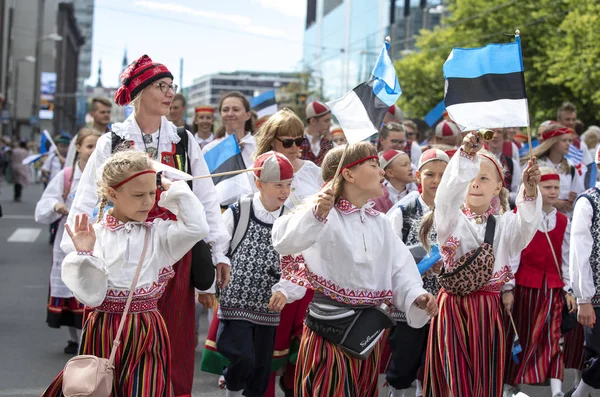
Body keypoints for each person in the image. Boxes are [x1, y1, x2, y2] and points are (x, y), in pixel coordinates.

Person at [62, 54, 231, 397]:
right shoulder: (112, 141)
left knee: (175, 344)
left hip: (172, 251)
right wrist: (84, 253)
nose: (170, 94)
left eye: (172, 87)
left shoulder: (182, 141)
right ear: (139, 92)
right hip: (122, 256)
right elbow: (86, 200)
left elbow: (208, 201)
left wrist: (219, 252)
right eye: (161, 86)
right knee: (116, 346)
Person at [272, 142, 438, 396]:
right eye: (374, 165)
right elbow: (284, 240)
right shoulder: (323, 214)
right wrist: (315, 213)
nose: (382, 172)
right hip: (329, 334)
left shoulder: (380, 223)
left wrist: (417, 295)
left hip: (365, 338)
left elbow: (400, 269)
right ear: (348, 174)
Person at [42, 150, 210, 397]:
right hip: (104, 327)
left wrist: (174, 190)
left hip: (147, 329)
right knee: (98, 387)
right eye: (139, 195)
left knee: (145, 389)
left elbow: (197, 227)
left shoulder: (159, 235)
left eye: (152, 193)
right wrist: (85, 254)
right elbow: (90, 296)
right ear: (112, 193)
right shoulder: (96, 234)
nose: (148, 202)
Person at [422, 132, 542, 397]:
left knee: (484, 377)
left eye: (484, 178)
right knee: (454, 376)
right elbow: (446, 195)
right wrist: (464, 156)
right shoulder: (450, 218)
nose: (475, 184)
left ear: (498, 187)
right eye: (471, 179)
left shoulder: (505, 225)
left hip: (487, 309)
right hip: (452, 307)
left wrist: (531, 189)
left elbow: (527, 227)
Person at [213, 151, 306, 397]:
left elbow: (297, 263)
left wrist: (285, 290)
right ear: (259, 184)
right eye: (278, 185)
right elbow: (219, 246)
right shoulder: (239, 211)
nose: (285, 191)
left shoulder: (291, 218)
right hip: (236, 301)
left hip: (267, 306)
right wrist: (220, 268)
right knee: (242, 357)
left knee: (262, 369)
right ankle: (231, 389)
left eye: (288, 185)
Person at [252, 109, 322, 396]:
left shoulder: (313, 172)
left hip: (308, 267)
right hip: (269, 263)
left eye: (299, 141)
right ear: (271, 142)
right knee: (268, 343)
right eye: (287, 142)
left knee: (302, 343)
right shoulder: (256, 172)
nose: (295, 148)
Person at [503, 167, 575, 397]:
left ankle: (556, 391)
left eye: (556, 187)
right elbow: (513, 253)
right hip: (525, 286)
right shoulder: (520, 216)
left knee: (554, 337)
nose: (553, 192)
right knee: (520, 334)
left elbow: (566, 258)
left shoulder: (563, 221)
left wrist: (569, 287)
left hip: (553, 288)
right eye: (548, 187)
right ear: (536, 188)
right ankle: (512, 385)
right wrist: (509, 286)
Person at [385, 148, 449, 397]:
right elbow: (390, 253)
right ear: (418, 176)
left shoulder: (456, 210)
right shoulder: (403, 210)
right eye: (430, 174)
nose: (436, 181)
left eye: (443, 175)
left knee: (434, 360)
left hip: (443, 299)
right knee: (405, 358)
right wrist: (418, 266)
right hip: (409, 301)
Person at [34, 128, 102, 354]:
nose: (93, 151)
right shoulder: (66, 176)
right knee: (72, 284)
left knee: (95, 285)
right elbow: (43, 208)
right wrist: (56, 206)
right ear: (79, 148)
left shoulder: (107, 174)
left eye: (97, 146)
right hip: (70, 240)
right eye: (89, 146)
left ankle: (92, 336)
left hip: (99, 240)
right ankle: (74, 339)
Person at [568, 182, 600, 397]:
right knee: (597, 356)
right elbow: (579, 252)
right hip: (596, 297)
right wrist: (583, 298)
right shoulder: (588, 201)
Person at [202, 91, 258, 206]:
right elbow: (203, 186)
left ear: (248, 115)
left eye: (236, 109)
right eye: (225, 110)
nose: (230, 113)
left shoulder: (261, 147)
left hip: (255, 210)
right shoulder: (210, 149)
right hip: (222, 212)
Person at [531, 123, 585, 215]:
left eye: (569, 140)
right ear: (553, 142)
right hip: (539, 218)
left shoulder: (571, 168)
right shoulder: (535, 166)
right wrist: (554, 202)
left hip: (564, 220)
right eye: (564, 140)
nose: (568, 144)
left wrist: (574, 198)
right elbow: (526, 193)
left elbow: (580, 195)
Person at [64, 97, 113, 168]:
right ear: (92, 114)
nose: (106, 115)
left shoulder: (114, 136)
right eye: (102, 112)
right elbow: (70, 163)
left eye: (108, 112)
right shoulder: (82, 136)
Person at [372, 149, 416, 213]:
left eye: (410, 164)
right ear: (390, 173)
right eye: (405, 165)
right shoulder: (377, 198)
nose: (411, 168)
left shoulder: (414, 196)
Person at [487, 128, 522, 206]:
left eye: (499, 132)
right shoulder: (479, 160)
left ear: (504, 136)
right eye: (492, 132)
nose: (495, 135)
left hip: (505, 209)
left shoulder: (512, 163)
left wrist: (504, 195)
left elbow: (518, 192)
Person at [300, 100, 333, 166]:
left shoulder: (328, 142)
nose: (330, 124)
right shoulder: (298, 142)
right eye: (326, 121)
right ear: (313, 121)